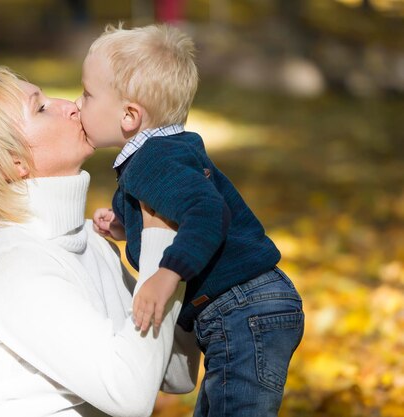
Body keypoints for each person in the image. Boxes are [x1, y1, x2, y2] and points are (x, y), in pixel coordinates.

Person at [0, 65, 200, 417]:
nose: (70, 105)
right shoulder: (9, 263)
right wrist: (162, 238)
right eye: (40, 108)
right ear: (13, 162)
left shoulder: (90, 240)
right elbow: (129, 395)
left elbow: (176, 372)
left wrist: (177, 251)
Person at [76, 24, 305, 417]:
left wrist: (168, 274)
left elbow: (206, 212)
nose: (77, 105)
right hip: (240, 308)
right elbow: (177, 212)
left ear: (130, 115)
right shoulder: (163, 153)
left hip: (243, 308)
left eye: (87, 94)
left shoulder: (154, 159)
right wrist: (122, 225)